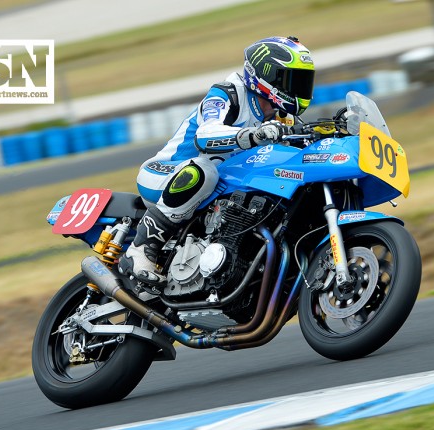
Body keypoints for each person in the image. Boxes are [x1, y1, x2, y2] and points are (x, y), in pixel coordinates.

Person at [120, 36, 315, 285]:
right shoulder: (227, 94)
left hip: (214, 189)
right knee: (204, 171)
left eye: (303, 81)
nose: (299, 88)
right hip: (166, 173)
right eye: (292, 80)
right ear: (269, 77)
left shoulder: (282, 118)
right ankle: (140, 250)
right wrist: (252, 135)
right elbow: (205, 135)